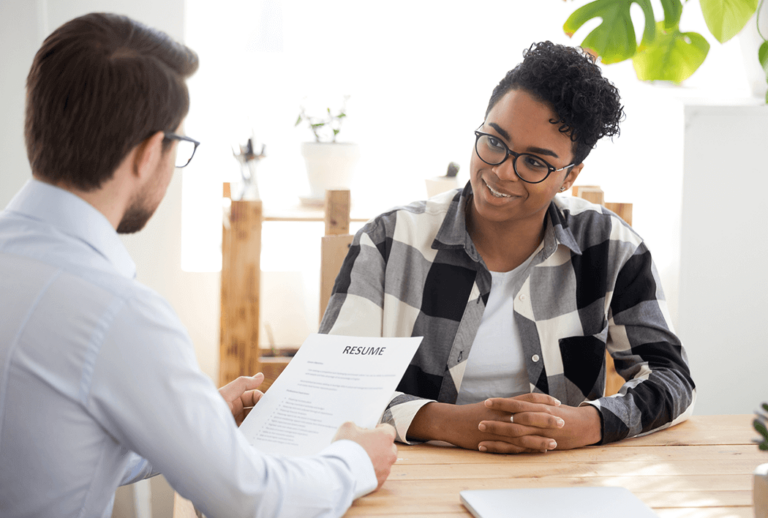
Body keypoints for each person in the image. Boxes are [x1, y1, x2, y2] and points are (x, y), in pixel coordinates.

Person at [0, 12, 397, 518]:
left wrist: (195, 421)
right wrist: (355, 462)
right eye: (178, 146)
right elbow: (245, 499)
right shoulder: (116, 313)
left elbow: (52, 453)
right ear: (148, 154)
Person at [320, 41, 695, 453]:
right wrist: (449, 423)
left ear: (569, 176)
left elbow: (671, 378)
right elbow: (332, 389)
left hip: (560, 483)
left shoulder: (611, 248)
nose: (500, 172)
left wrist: (590, 423)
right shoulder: (388, 242)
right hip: (406, 477)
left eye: (535, 162)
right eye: (494, 142)